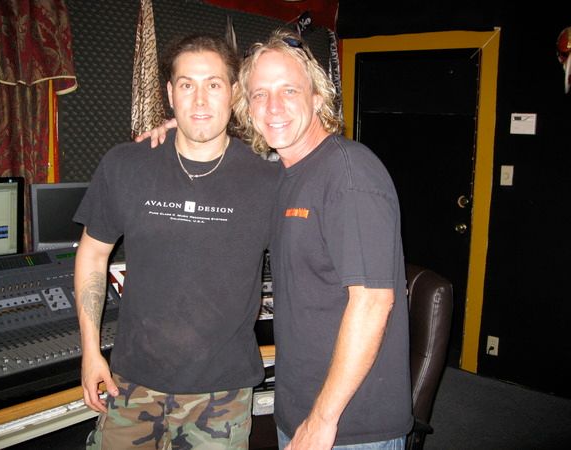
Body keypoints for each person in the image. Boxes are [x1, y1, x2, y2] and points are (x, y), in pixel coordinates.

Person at [74, 33, 278, 450]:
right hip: (130, 383)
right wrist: (90, 351)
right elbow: (92, 254)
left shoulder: (268, 180)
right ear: (170, 94)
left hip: (221, 394)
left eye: (213, 84)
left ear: (234, 93)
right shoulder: (126, 165)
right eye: (187, 85)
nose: (200, 100)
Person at [232, 30, 413, 449]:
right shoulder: (288, 173)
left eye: (289, 90)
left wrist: (322, 419)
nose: (273, 106)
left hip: (348, 424)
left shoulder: (349, 175)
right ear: (247, 108)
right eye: (259, 94)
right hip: (302, 407)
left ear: (317, 98)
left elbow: (373, 302)